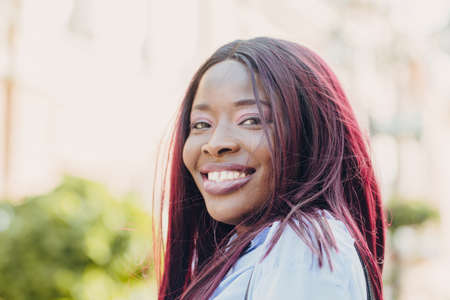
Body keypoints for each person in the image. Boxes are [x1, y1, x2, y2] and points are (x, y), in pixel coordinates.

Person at [153, 37, 385, 300]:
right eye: (201, 124)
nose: (215, 144)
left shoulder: (303, 245)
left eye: (252, 120)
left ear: (310, 134)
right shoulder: (251, 249)